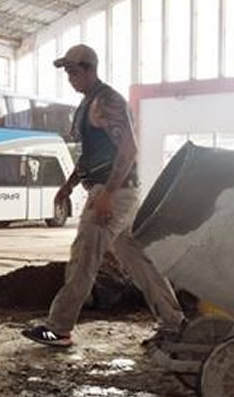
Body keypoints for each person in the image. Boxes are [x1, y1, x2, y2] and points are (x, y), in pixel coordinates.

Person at [21, 45, 185, 348]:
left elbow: (128, 149)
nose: (69, 78)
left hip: (113, 193)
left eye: (73, 71)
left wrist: (108, 193)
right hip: (118, 191)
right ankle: (174, 322)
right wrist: (69, 185)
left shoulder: (107, 101)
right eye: (66, 72)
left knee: (84, 256)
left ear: (89, 69)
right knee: (137, 259)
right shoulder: (88, 104)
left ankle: (59, 328)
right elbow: (90, 155)